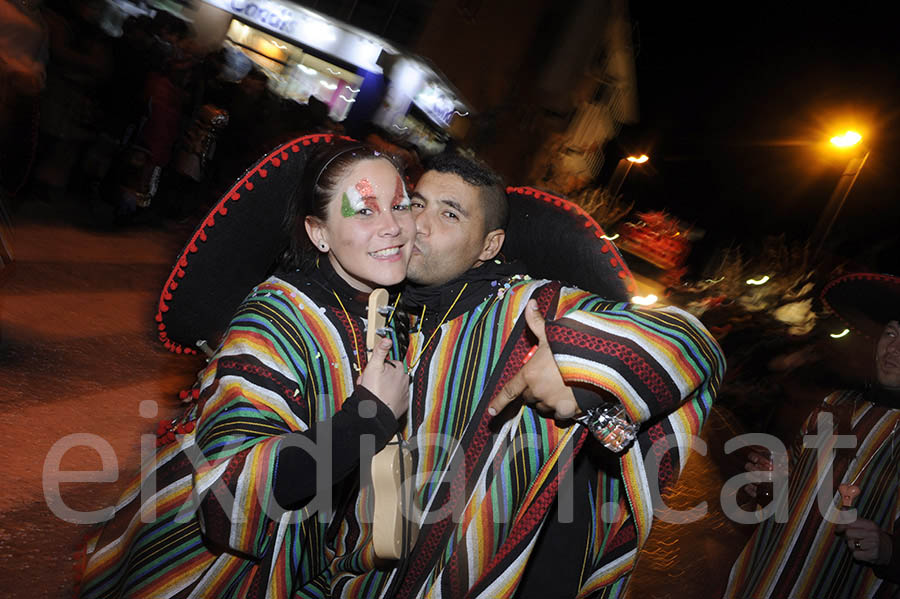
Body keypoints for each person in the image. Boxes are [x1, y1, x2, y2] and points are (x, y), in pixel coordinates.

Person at [352, 152, 725, 598]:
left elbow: (691, 341)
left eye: (449, 213)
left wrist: (577, 367)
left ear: (489, 247)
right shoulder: (387, 302)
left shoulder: (533, 305)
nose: (420, 225)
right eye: (415, 204)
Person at [77, 138, 415, 596]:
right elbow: (230, 490)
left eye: (401, 205)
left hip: (294, 560)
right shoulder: (273, 318)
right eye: (366, 211)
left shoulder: (382, 314)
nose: (393, 227)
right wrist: (367, 417)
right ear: (319, 232)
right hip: (206, 572)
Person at [725, 272, 900, 598]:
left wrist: (888, 550)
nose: (894, 348)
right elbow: (784, 498)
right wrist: (768, 484)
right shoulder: (834, 405)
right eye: (891, 333)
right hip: (762, 580)